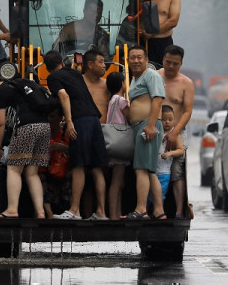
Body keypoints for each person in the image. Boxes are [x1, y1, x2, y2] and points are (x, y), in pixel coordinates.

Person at [44, 50, 109, 220]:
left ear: (47, 67)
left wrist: (70, 121)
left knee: (79, 165)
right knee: (96, 168)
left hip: (80, 120)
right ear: (62, 62)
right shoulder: (74, 72)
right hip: (94, 119)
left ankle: (74, 211)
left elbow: (64, 96)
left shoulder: (53, 78)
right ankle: (101, 212)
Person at [0, 72, 50, 219]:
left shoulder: (0, 92)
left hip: (26, 128)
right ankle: (40, 212)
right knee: (32, 173)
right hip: (44, 127)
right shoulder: (18, 85)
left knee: (13, 169)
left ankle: (12, 210)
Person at [125, 45, 167, 220]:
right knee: (150, 171)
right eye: (132, 57)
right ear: (128, 61)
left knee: (141, 169)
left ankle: (141, 209)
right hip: (140, 125)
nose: (136, 61)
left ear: (146, 60)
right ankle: (159, 211)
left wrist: (150, 125)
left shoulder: (151, 75)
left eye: (139, 57)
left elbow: (157, 100)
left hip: (147, 126)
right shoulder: (135, 79)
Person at [156, 44, 194, 218]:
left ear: (181, 64)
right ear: (163, 59)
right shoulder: (154, 77)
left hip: (177, 130)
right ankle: (152, 207)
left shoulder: (186, 83)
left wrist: (174, 132)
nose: (170, 66)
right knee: (151, 168)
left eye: (175, 64)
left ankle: (179, 211)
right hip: (155, 130)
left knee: (177, 170)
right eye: (168, 62)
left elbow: (187, 111)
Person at [141, 0, 181, 66]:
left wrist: (152, 32)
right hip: (144, 43)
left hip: (164, 43)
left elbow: (173, 21)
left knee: (164, 74)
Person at [105, 72, 131, 220]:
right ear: (122, 84)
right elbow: (131, 117)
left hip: (114, 140)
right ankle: (114, 215)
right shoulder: (121, 100)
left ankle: (118, 213)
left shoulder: (112, 100)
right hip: (120, 142)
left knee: (119, 182)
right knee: (117, 181)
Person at [148, 105, 185, 207]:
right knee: (149, 196)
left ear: (174, 120)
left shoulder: (174, 134)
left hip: (164, 173)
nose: (167, 122)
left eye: (170, 119)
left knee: (160, 195)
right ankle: (149, 212)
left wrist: (170, 153)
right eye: (164, 119)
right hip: (152, 171)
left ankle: (158, 213)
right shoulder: (155, 131)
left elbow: (181, 150)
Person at [40, 107, 71, 218]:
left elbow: (74, 154)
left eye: (52, 116)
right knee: (40, 176)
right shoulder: (43, 135)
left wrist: (62, 147)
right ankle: (49, 213)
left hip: (63, 169)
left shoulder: (66, 135)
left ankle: (69, 210)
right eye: (48, 116)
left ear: (60, 118)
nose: (49, 120)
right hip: (47, 169)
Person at [82, 49, 109, 124]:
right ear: (90, 64)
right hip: (84, 130)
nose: (104, 65)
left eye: (104, 62)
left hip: (105, 131)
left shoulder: (107, 85)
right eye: (101, 62)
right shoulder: (78, 83)